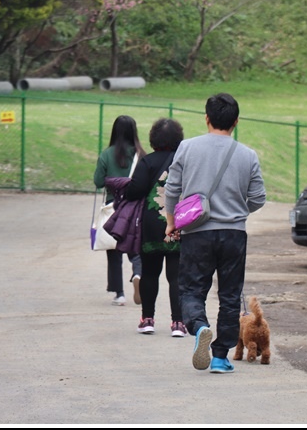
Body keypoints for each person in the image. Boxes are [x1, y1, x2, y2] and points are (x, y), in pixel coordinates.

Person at [163, 93, 266, 373]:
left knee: (191, 289)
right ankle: (220, 357)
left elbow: (171, 189)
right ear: (236, 121)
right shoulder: (248, 155)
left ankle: (199, 327)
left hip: (196, 232)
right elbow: (258, 198)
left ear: (206, 118)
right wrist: (236, 209)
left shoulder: (187, 147)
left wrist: (172, 222)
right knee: (231, 295)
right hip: (234, 234)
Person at [123, 117, 186, 337]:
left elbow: (134, 191)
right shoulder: (183, 161)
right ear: (179, 138)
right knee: (176, 275)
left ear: (153, 138)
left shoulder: (147, 162)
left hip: (150, 225)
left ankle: (147, 319)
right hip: (178, 224)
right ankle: (178, 323)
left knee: (150, 272)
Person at [93, 115, 147, 306]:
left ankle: (120, 293)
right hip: (135, 208)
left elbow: (98, 181)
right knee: (136, 247)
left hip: (113, 207)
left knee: (113, 250)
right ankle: (138, 274)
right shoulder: (141, 155)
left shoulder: (106, 154)